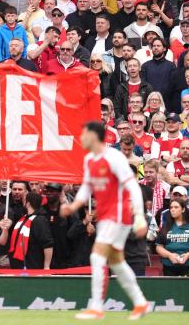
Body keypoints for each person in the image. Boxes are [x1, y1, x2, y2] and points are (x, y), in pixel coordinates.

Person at [60, 121, 149, 320]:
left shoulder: (114, 158)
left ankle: (96, 307)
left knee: (97, 257)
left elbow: (133, 187)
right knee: (116, 262)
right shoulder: (89, 159)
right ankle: (140, 302)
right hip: (105, 216)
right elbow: (86, 188)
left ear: (94, 136)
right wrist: (72, 207)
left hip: (118, 214)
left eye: (84, 134)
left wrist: (140, 217)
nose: (81, 138)